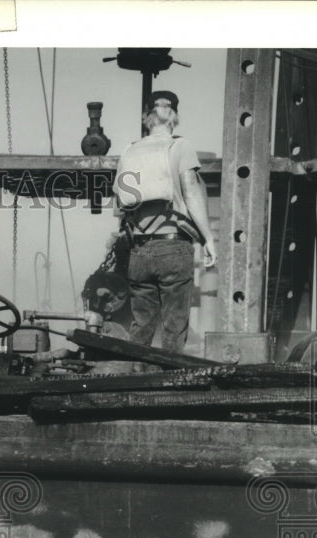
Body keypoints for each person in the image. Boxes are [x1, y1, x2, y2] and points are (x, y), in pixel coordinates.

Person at [113, 90, 217, 353]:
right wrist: (208, 239)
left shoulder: (129, 152)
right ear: (174, 117)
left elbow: (121, 207)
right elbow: (191, 191)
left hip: (139, 251)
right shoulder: (180, 146)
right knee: (174, 328)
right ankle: (168, 388)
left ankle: (134, 382)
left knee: (141, 328)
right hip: (172, 247)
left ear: (146, 117)